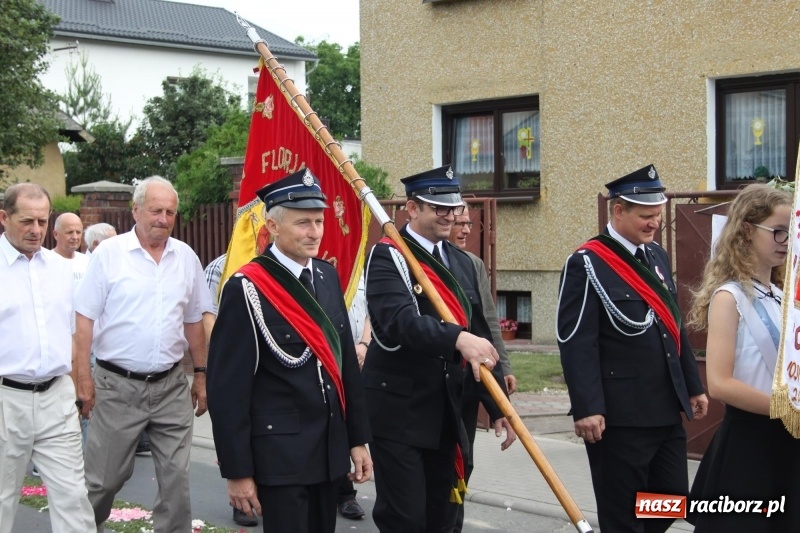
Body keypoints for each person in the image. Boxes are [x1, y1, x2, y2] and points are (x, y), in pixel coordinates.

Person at [206, 169, 372, 533]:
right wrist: (237, 472)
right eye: (303, 223)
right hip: (279, 456)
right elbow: (228, 391)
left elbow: (344, 366)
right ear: (273, 226)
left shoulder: (327, 276)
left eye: (318, 221)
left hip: (328, 450)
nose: (314, 232)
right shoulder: (247, 287)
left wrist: (357, 439)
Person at [556, 164, 708, 533]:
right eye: (646, 216)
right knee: (622, 512)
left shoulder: (656, 257)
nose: (654, 223)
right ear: (618, 211)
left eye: (657, 215)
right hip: (618, 415)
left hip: (664, 408)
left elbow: (673, 326)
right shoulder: (587, 263)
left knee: (670, 497)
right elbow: (576, 342)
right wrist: (588, 407)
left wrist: (693, 384)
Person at [364, 165, 515, 533]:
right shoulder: (389, 256)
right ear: (412, 209)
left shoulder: (463, 263)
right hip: (403, 413)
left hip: (451, 412)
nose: (451, 216)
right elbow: (399, 321)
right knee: (407, 518)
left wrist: (498, 406)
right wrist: (456, 338)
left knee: (445, 519)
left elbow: (481, 337)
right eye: (439, 208)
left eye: (454, 207)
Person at [73, 176, 211, 532]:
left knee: (176, 482)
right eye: (155, 211)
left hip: (170, 388)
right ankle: (85, 527)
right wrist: (83, 381)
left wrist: (200, 374)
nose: (163, 219)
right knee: (103, 480)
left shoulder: (186, 258)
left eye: (170, 212)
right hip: (117, 387)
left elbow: (194, 321)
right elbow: (83, 321)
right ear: (135, 210)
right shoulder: (109, 254)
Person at [686, 184, 800, 531]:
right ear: (747, 230)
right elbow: (720, 384)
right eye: (777, 231)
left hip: (787, 439)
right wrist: (786, 408)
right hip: (749, 445)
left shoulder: (783, 296)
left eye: (790, 232)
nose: (786, 240)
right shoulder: (729, 297)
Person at [0, 183, 95, 532]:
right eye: (27, 221)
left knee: (73, 496)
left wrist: (80, 383)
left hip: (56, 396)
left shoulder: (59, 270)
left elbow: (72, 333)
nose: (37, 230)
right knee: (2, 498)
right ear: (4, 218)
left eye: (42, 220)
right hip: (6, 398)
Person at [443, 202, 516, 532]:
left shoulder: (473, 264)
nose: (463, 230)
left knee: (464, 460)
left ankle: (453, 521)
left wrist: (504, 369)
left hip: (469, 382)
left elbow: (487, 323)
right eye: (457, 223)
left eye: (468, 224)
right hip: (437, 381)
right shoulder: (421, 263)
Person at [337, 275, 371, 520]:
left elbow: (370, 311)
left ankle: (345, 492)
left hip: (360, 358)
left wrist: (364, 345)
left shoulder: (359, 268)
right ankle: (343, 492)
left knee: (354, 420)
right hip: (331, 359)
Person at [51, 212, 90, 284]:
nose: (75, 237)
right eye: (69, 232)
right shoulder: (46, 261)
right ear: (56, 234)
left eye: (78, 232)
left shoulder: (87, 261)